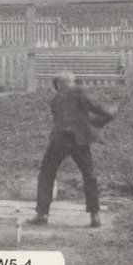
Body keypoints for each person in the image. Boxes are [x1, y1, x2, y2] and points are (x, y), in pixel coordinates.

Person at [28, 70, 117, 228]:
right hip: (79, 140)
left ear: (60, 84)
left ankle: (42, 214)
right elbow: (94, 109)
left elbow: (70, 118)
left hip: (60, 139)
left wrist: (99, 119)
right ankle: (94, 216)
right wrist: (110, 113)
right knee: (89, 175)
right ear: (71, 81)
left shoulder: (54, 100)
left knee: (46, 173)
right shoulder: (79, 91)